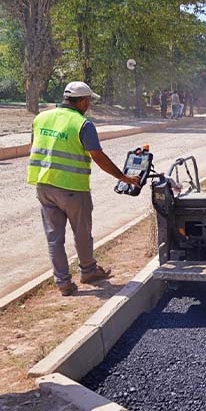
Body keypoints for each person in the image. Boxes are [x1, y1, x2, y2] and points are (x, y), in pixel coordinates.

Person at [27, 82, 141, 296]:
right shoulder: (83, 124)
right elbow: (98, 156)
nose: (89, 104)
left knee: (54, 237)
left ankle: (63, 283)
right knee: (81, 233)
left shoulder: (40, 118)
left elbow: (35, 147)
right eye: (88, 100)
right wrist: (123, 177)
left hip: (43, 186)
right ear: (81, 101)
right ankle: (88, 271)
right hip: (72, 188)